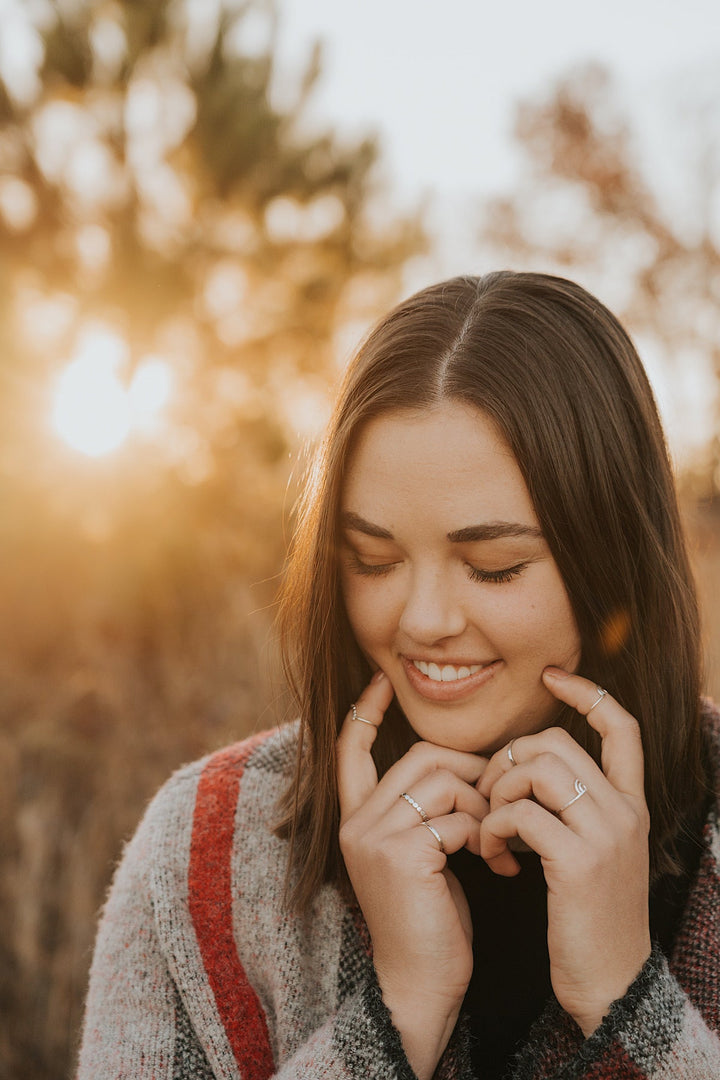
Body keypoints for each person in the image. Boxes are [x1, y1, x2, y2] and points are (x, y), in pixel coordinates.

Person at [77, 272, 720, 1080]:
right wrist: (399, 1011)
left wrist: (629, 1000)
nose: (421, 620)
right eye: (373, 560)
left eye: (493, 566)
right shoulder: (203, 848)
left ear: (616, 561)